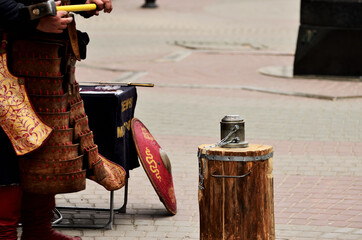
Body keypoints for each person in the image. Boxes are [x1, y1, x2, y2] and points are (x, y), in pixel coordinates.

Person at [0, 0, 126, 239]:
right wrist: (33, 20)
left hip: (43, 63)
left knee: (43, 150)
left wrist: (85, 2)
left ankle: (38, 230)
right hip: (7, 67)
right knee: (7, 153)